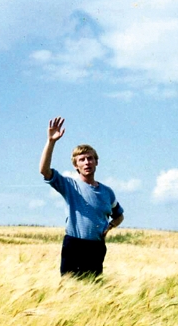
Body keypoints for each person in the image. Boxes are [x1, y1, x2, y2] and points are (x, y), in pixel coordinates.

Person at [39, 117, 124, 277]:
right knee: (69, 290)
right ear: (76, 165)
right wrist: (51, 142)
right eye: (82, 160)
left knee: (95, 291)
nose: (87, 162)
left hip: (97, 248)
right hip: (74, 245)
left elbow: (119, 215)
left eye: (90, 158)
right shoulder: (70, 186)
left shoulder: (107, 192)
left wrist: (110, 226)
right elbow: (44, 170)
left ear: (96, 162)